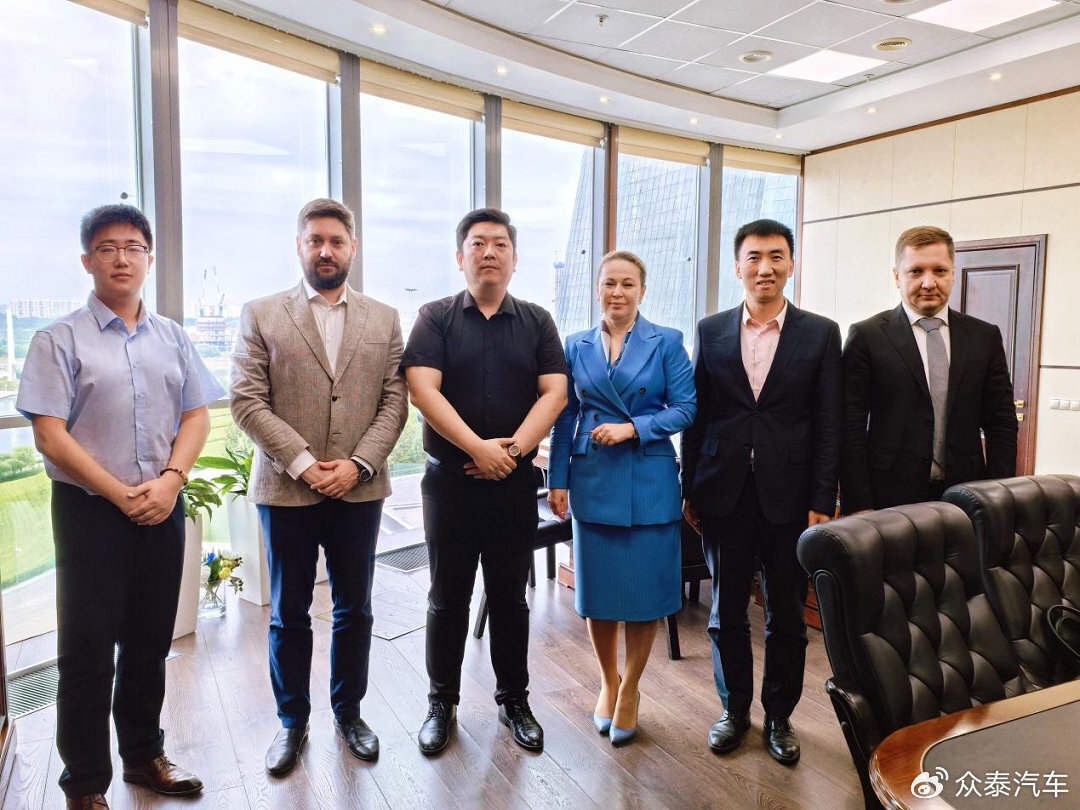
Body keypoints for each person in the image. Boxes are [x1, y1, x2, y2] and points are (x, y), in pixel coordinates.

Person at [17, 204, 221, 809]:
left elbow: (197, 414)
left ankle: (144, 756)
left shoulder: (173, 337)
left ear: (149, 258)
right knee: (86, 652)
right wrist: (118, 492)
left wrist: (171, 481)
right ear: (87, 261)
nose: (122, 258)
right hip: (90, 513)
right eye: (107, 248)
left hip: (161, 504)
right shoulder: (57, 339)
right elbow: (50, 434)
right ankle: (84, 784)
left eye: (133, 247)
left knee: (149, 642)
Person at [230, 198, 408, 776]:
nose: (325, 250)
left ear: (353, 247)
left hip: (360, 488)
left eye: (336, 240)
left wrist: (358, 464)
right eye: (315, 240)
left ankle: (349, 713)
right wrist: (305, 464)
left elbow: (395, 403)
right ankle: (292, 722)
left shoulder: (385, 319)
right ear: (299, 246)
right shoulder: (261, 314)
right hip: (287, 490)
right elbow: (246, 402)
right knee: (288, 611)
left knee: (355, 608)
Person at [401, 208, 567, 755]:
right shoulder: (435, 317)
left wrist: (511, 452)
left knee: (510, 598)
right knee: (447, 598)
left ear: (514, 259)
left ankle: (514, 700)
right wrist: (478, 449)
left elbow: (555, 393)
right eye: (478, 243)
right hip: (449, 485)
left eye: (500, 244)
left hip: (513, 485)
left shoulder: (538, 321)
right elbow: (423, 390)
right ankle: (440, 703)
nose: (489, 252)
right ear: (460, 257)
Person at [681, 219, 842, 766]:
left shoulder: (820, 333)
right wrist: (688, 487)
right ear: (738, 267)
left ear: (791, 264)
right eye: (754, 257)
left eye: (776, 256)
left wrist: (823, 497)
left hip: (791, 497)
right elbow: (697, 413)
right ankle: (733, 710)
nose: (765, 268)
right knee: (725, 611)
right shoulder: (711, 329)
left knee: (787, 615)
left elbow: (829, 422)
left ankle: (779, 715)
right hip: (721, 490)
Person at [547, 250, 696, 746]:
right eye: (609, 283)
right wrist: (559, 478)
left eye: (628, 284)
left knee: (644, 596)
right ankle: (607, 683)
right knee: (600, 596)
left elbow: (686, 408)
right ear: (597, 289)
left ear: (642, 291)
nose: (618, 292)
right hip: (592, 479)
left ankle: (630, 687)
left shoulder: (667, 341)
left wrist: (634, 428)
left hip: (649, 479)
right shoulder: (576, 344)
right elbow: (566, 415)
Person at [840, 225, 1017, 513]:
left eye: (939, 271)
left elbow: (1002, 422)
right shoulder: (867, 336)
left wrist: (998, 495)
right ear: (897, 276)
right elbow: (850, 428)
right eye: (916, 271)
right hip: (888, 498)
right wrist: (859, 504)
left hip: (968, 496)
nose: (929, 282)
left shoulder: (984, 337)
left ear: (953, 273)